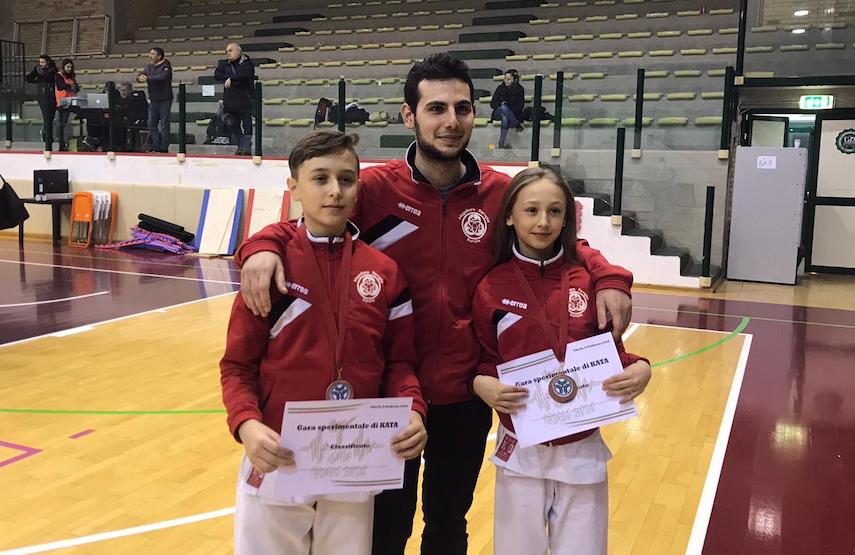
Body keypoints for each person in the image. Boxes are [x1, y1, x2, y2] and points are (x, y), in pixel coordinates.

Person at [234, 53, 634, 555]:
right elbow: (308, 223)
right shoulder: (374, 190)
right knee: (386, 531)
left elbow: (564, 241)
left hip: (466, 393)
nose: (451, 121)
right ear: (410, 115)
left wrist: (610, 278)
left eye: (462, 108)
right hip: (388, 397)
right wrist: (259, 247)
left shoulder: (498, 195)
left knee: (448, 523)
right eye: (436, 108)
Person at [220, 130, 428, 554]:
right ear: (294, 187)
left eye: (346, 179)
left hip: (355, 460)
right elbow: (237, 366)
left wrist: (414, 410)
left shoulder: (384, 272)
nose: (335, 191)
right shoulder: (268, 269)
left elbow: (399, 364)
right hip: (278, 453)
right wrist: (247, 424)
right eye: (320, 178)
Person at [471, 167, 652, 555]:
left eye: (555, 211)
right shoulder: (490, 287)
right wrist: (481, 383)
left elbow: (610, 352)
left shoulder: (588, 281)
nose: (543, 222)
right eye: (531, 210)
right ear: (509, 216)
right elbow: (486, 359)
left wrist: (640, 367)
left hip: (581, 448)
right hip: (520, 446)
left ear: (567, 218)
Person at [214, 43, 255, 156]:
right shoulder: (224, 64)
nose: (228, 53)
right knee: (232, 124)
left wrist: (231, 79)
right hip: (230, 102)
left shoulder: (247, 63)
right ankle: (240, 145)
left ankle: (246, 146)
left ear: (238, 51)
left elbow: (246, 75)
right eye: (227, 51)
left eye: (230, 50)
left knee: (247, 125)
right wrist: (229, 78)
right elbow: (217, 75)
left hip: (245, 100)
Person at [137, 46, 173, 153]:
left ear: (159, 56)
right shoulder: (149, 66)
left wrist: (148, 78)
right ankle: (156, 145)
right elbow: (141, 74)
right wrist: (139, 77)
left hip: (164, 99)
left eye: (153, 54)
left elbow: (162, 77)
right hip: (153, 99)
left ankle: (164, 147)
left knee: (164, 124)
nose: (150, 56)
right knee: (151, 123)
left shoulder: (166, 66)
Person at [25, 54, 58, 151]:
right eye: (40, 62)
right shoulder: (37, 69)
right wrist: (38, 82)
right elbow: (28, 78)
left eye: (43, 62)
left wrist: (43, 79)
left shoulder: (53, 69)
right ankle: (48, 139)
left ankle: (45, 131)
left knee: (51, 116)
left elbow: (51, 78)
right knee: (46, 115)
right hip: (42, 95)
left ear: (47, 62)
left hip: (51, 95)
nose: (41, 64)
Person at [489, 69, 525, 149]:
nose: (506, 81)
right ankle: (517, 124)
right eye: (505, 78)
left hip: (512, 113)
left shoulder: (519, 89)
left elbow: (520, 106)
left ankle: (501, 143)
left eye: (509, 79)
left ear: (514, 80)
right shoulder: (500, 88)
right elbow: (492, 104)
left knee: (505, 118)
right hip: (498, 112)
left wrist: (508, 109)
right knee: (503, 107)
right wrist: (501, 104)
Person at [54, 58, 79, 151]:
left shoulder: (72, 76)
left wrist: (72, 87)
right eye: (67, 67)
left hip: (72, 102)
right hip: (62, 103)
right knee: (61, 123)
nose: (69, 69)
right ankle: (60, 143)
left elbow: (76, 87)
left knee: (65, 123)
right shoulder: (58, 75)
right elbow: (60, 86)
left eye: (71, 67)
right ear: (64, 67)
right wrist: (69, 86)